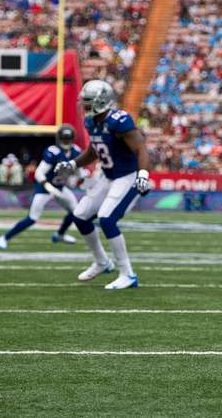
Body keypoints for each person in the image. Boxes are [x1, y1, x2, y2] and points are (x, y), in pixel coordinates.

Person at [56, 80, 152, 290]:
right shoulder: (93, 122)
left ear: (102, 102)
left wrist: (143, 175)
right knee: (80, 215)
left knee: (107, 218)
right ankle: (102, 262)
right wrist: (72, 163)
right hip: (108, 176)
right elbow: (94, 150)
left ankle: (128, 274)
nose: (85, 107)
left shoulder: (119, 120)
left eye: (89, 102)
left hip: (127, 177)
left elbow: (141, 148)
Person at [0, 124, 81, 249]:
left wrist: (82, 177)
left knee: (76, 212)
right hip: (45, 188)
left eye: (68, 139)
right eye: (64, 138)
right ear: (59, 138)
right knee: (32, 218)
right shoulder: (54, 151)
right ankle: (4, 238)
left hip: (60, 187)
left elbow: (78, 171)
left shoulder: (76, 151)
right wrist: (47, 185)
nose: (66, 141)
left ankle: (59, 234)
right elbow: (39, 173)